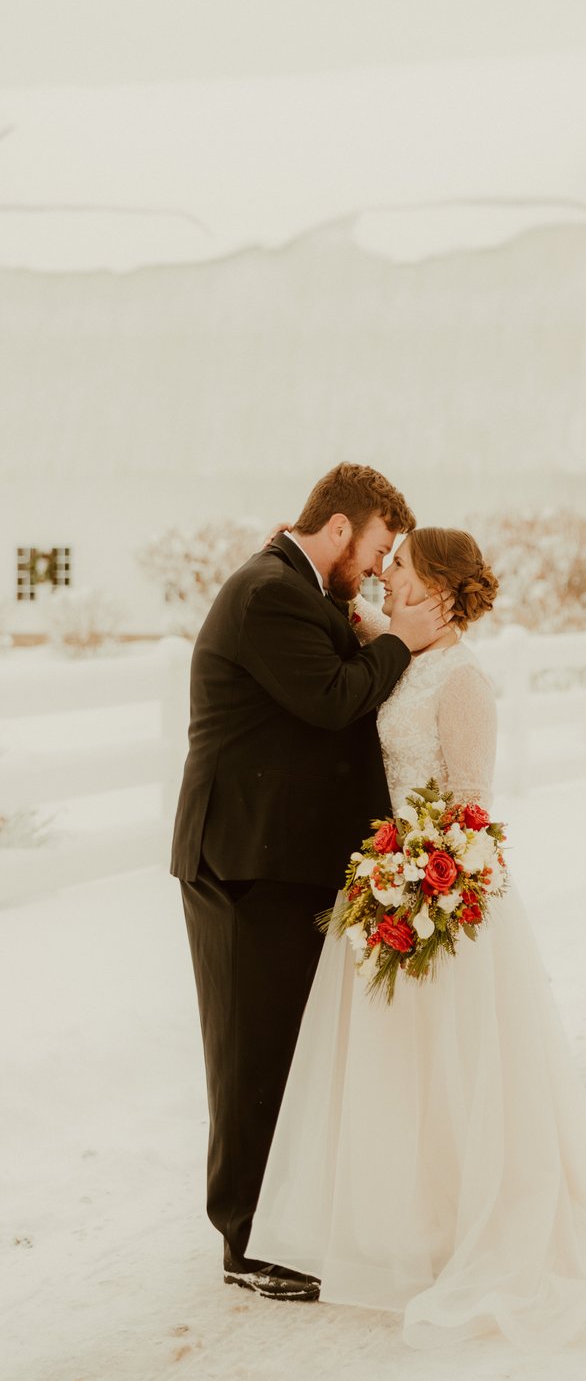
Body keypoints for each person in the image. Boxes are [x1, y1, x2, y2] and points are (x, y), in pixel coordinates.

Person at [246, 527, 586, 1345]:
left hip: (446, 902)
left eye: (403, 573)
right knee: (391, 1069)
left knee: (452, 1068)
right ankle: (395, 1226)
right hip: (388, 888)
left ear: (442, 594)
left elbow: (470, 807)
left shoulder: (464, 682)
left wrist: (423, 882)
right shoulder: (400, 652)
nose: (387, 581)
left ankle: (465, 1226)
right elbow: (345, 623)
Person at [171, 464, 452, 1302]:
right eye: (374, 549)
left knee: (285, 1052)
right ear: (339, 527)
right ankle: (243, 1242)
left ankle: (281, 1222)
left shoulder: (302, 588)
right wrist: (404, 641)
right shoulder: (270, 593)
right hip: (241, 863)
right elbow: (334, 699)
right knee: (247, 1053)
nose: (375, 569)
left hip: (280, 861)